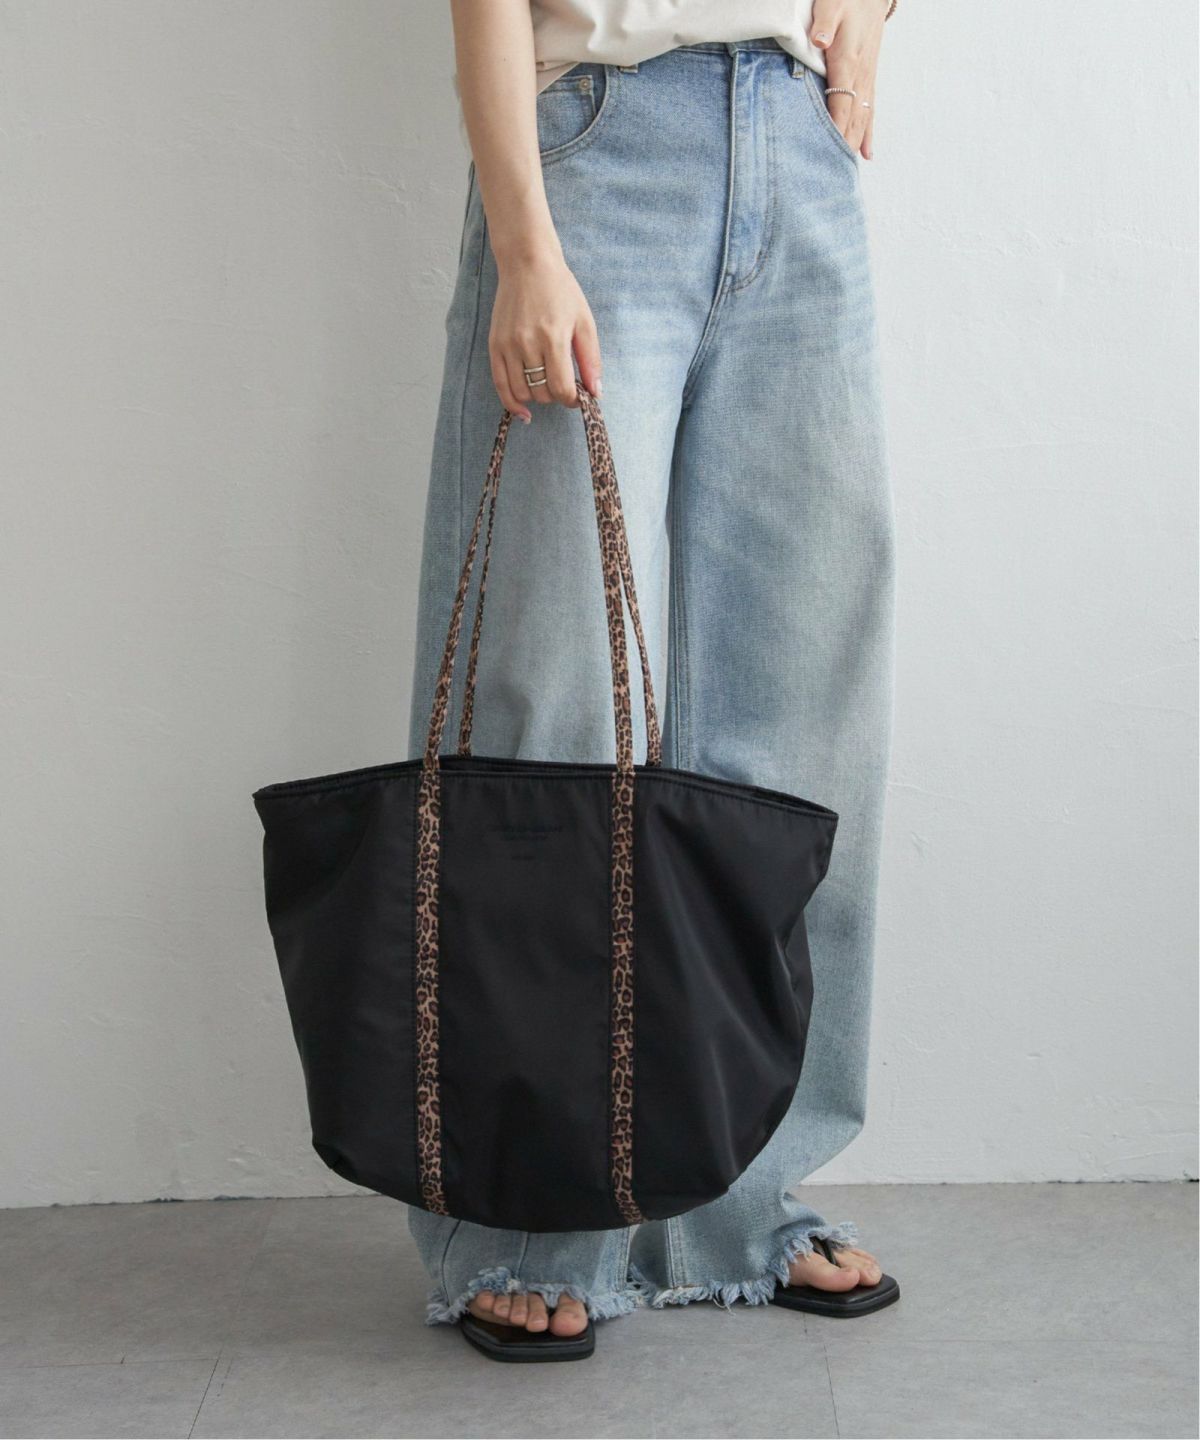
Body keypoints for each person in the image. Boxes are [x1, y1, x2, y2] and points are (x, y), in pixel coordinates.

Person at [405, 0, 901, 1361]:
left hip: (796, 144)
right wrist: (523, 240)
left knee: (799, 711)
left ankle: (741, 1195)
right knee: (549, 719)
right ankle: (528, 1223)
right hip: (594, 143)